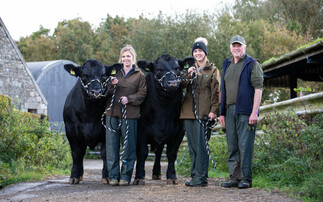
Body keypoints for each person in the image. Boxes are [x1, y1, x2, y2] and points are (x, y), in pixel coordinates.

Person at [219, 35, 263, 189]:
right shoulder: (227, 64)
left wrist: (254, 112)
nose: (236, 48)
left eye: (239, 46)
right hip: (229, 110)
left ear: (244, 47)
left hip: (245, 111)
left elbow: (258, 89)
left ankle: (246, 178)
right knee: (232, 145)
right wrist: (222, 112)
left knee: (245, 145)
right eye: (234, 46)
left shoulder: (252, 64)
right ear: (231, 48)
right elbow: (223, 90)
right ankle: (234, 177)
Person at [180, 37, 221, 187]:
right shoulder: (189, 70)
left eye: (200, 51)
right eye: (195, 51)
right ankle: (195, 175)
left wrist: (214, 110)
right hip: (188, 113)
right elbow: (180, 85)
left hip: (204, 113)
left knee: (202, 146)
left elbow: (216, 92)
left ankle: (201, 177)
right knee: (192, 146)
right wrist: (188, 75)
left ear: (205, 52)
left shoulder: (213, 70)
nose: (197, 53)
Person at [105, 45, 147, 186]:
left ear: (133, 57)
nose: (126, 58)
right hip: (112, 114)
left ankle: (125, 176)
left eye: (128, 56)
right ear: (121, 58)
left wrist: (128, 99)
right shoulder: (115, 73)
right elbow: (105, 92)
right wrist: (111, 85)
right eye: (123, 56)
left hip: (130, 115)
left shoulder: (139, 75)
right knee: (112, 146)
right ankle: (113, 176)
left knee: (128, 147)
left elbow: (142, 94)